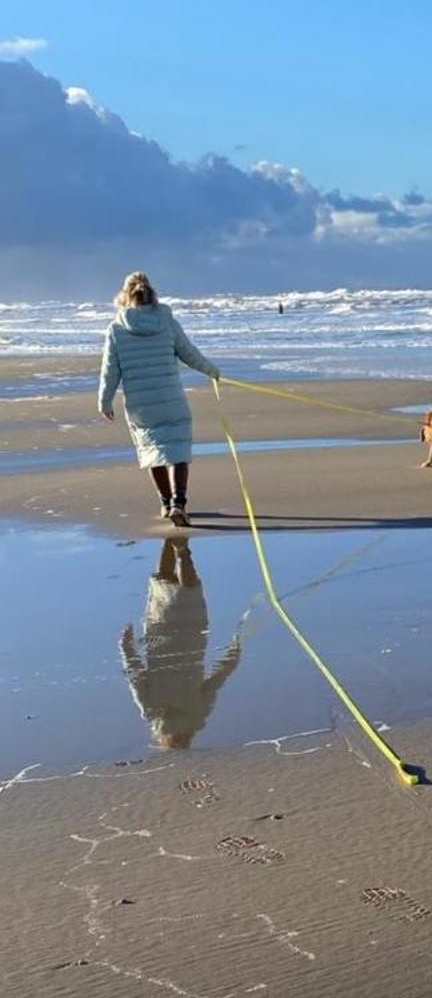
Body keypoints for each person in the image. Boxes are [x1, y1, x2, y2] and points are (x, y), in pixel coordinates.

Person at [97, 271, 221, 527]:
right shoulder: (167, 322)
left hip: (142, 405)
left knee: (153, 452)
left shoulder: (117, 328)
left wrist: (105, 401)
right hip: (170, 397)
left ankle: (166, 504)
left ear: (124, 295)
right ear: (152, 293)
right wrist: (212, 371)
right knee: (177, 449)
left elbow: (110, 370)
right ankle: (179, 503)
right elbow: (189, 353)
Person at [120, 539, 241, 748]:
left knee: (189, 591)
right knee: (163, 582)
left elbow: (215, 682)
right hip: (159, 639)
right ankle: (170, 539)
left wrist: (232, 657)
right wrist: (126, 647)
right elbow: (135, 677)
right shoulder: (153, 714)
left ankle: (182, 551)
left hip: (190, 643)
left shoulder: (195, 716)